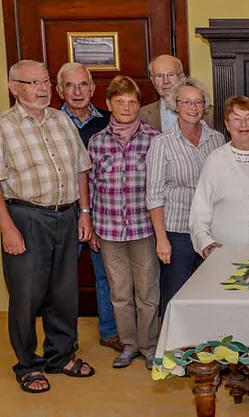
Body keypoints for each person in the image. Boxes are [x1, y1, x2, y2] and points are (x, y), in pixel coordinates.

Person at [0, 59, 95, 393]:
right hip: (25, 218)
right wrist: (7, 228)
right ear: (14, 87)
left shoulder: (62, 121)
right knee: (27, 296)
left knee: (64, 293)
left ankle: (60, 356)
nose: (43, 88)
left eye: (45, 81)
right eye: (33, 83)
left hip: (67, 215)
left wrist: (84, 212)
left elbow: (80, 170)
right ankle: (28, 365)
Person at [88, 75, 161, 370]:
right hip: (108, 229)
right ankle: (129, 344)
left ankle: (150, 346)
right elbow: (91, 185)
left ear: (139, 105)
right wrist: (90, 225)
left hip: (144, 228)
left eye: (132, 102)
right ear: (109, 105)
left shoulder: (154, 139)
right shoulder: (96, 142)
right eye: (120, 102)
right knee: (119, 292)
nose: (127, 107)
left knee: (147, 291)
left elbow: (160, 187)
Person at [55, 62, 123, 354]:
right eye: (70, 85)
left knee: (106, 273)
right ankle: (64, 339)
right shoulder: (51, 122)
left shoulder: (110, 122)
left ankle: (109, 331)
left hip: (103, 211)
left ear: (93, 89)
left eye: (83, 84)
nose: (78, 91)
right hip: (64, 210)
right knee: (62, 278)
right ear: (60, 90)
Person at [146, 78, 225, 316]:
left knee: (210, 294)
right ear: (175, 105)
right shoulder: (162, 143)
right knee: (176, 296)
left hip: (210, 231)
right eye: (186, 102)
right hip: (177, 233)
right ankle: (171, 349)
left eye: (198, 102)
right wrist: (162, 239)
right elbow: (154, 195)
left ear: (205, 106)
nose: (193, 107)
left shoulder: (217, 140)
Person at [190, 95, 249, 256]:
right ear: (227, 124)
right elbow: (200, 211)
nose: (243, 124)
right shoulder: (216, 160)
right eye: (236, 119)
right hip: (227, 260)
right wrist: (206, 244)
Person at [139, 54, 214, 131]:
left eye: (171, 75)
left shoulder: (209, 113)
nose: (166, 81)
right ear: (153, 81)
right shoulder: (142, 114)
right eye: (159, 76)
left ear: (181, 77)